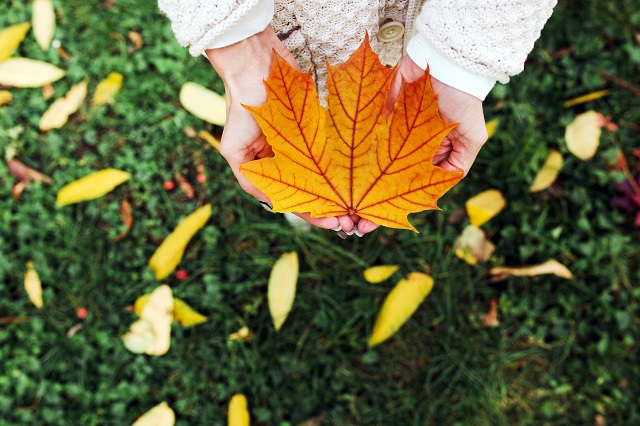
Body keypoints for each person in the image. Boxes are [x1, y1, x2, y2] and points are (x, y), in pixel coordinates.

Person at [158, 0, 557, 237]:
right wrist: (240, 40)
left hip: (437, 26)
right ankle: (304, 196)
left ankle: (307, 194)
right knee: (305, 123)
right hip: (287, 30)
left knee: (317, 128)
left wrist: (457, 66)